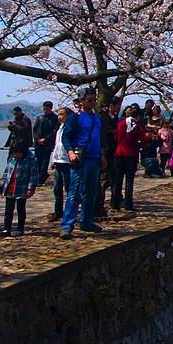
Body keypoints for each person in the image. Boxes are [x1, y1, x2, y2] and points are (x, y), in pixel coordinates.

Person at [60, 87, 102, 239]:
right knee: (75, 192)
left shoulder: (97, 118)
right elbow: (66, 137)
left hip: (94, 157)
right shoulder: (75, 118)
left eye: (93, 99)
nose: (92, 102)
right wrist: (71, 152)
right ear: (82, 101)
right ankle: (67, 225)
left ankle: (86, 221)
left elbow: (98, 138)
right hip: (80, 157)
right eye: (89, 100)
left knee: (91, 192)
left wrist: (102, 155)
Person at [0, 142, 39, 236]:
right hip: (10, 187)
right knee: (8, 209)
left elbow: (34, 175)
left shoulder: (31, 160)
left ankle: (20, 228)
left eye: (16, 153)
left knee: (21, 209)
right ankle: (6, 228)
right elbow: (6, 172)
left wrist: (31, 188)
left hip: (22, 188)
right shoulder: (12, 158)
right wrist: (1, 185)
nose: (15, 155)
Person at [112, 105, 145, 211]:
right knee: (129, 180)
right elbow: (143, 140)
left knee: (117, 179)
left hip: (119, 153)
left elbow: (116, 137)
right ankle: (128, 204)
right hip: (131, 154)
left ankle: (114, 202)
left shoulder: (120, 123)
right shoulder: (137, 126)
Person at [97, 95, 121, 217]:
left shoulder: (116, 118)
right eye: (117, 105)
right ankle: (100, 204)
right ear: (111, 105)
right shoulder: (103, 118)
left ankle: (114, 200)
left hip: (114, 151)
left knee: (113, 177)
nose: (118, 107)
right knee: (104, 178)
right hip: (106, 151)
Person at [49, 107, 73, 221]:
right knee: (57, 188)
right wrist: (53, 160)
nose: (60, 117)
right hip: (58, 161)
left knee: (69, 187)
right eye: (58, 114)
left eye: (62, 114)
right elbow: (57, 145)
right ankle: (58, 211)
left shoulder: (71, 128)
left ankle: (70, 212)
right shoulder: (60, 128)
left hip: (67, 161)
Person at [32, 100, 58, 184]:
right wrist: (37, 139)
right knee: (37, 162)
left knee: (45, 162)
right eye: (44, 109)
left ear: (51, 108)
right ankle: (39, 177)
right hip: (38, 144)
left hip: (48, 144)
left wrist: (45, 139)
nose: (45, 111)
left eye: (47, 109)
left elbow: (54, 131)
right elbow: (35, 129)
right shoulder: (39, 117)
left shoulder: (55, 118)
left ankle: (41, 179)